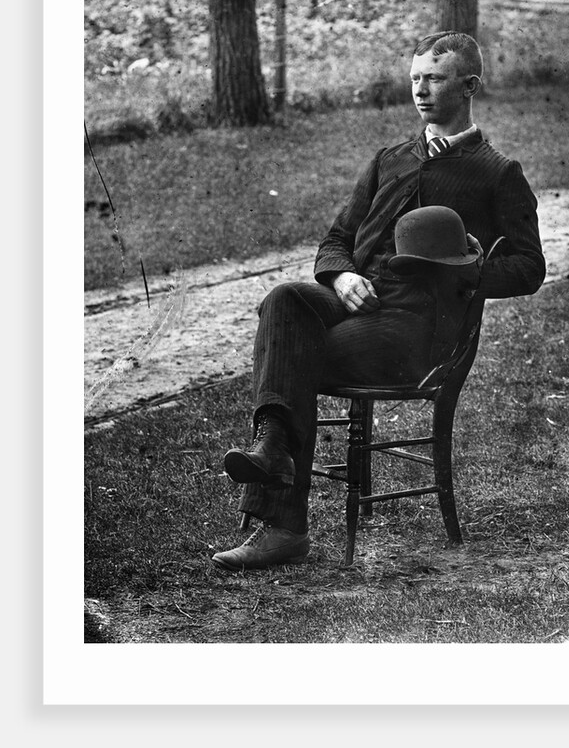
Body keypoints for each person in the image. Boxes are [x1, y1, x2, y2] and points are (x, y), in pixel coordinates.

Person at [211, 31, 546, 571]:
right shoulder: (389, 159)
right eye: (415, 78)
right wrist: (341, 277)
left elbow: (530, 268)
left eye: (434, 79)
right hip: (356, 302)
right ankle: (272, 448)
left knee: (293, 356)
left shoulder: (496, 173)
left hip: (417, 330)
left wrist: (469, 270)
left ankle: (281, 522)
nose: (421, 89)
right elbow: (334, 240)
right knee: (284, 302)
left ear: (470, 86)